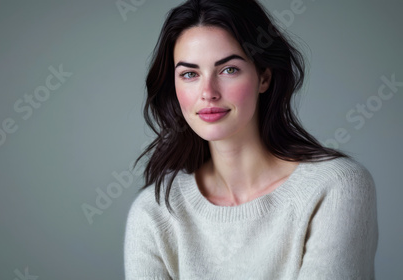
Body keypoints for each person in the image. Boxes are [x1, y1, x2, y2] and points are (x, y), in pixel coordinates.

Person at [124, 0, 378, 279]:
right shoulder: (155, 212)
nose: (207, 92)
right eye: (189, 74)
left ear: (264, 77)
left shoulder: (335, 187)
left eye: (228, 69)